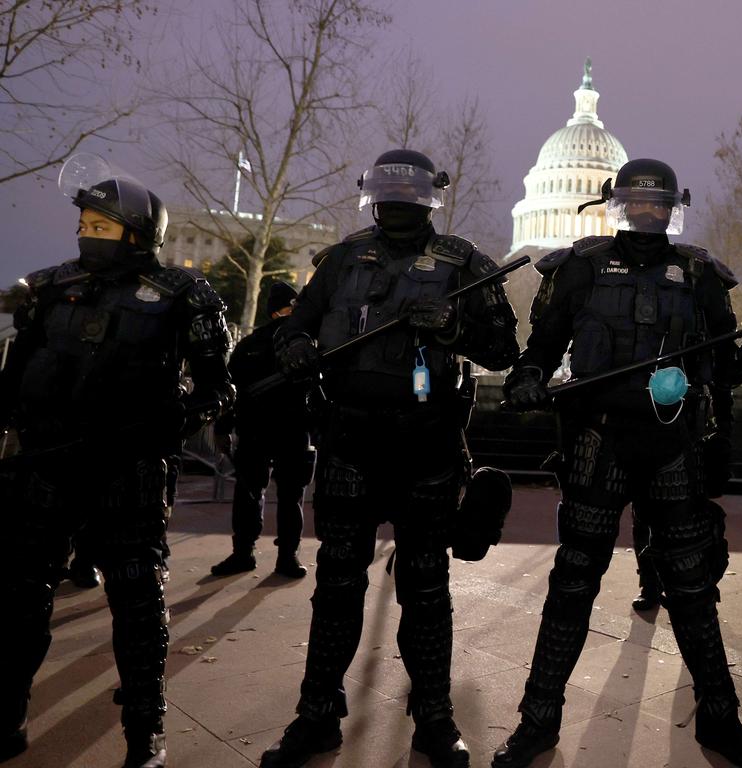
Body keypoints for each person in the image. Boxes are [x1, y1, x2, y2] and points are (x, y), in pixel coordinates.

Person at [495, 158, 742, 768]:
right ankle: (537, 719)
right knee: (572, 584)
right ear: (618, 203)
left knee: (693, 589)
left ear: (672, 207)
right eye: (639, 202)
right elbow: (542, 347)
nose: (649, 213)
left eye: (659, 204)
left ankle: (720, 718)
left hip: (673, 448)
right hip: (600, 443)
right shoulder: (577, 266)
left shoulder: (702, 274)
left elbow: (720, 367)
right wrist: (525, 379)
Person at [259, 149, 520, 768]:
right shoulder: (343, 258)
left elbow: (505, 347)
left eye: (407, 194)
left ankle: (433, 716)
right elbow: (298, 322)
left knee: (426, 588)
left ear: (429, 198)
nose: (396, 204)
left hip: (425, 447)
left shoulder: (465, 264)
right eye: (387, 193)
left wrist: (454, 327)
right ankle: (316, 713)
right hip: (349, 442)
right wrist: (293, 344)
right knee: (337, 585)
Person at [0, 166, 233, 768]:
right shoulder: (49, 286)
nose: (87, 234)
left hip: (126, 472)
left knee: (137, 604)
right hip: (48, 468)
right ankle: (8, 714)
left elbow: (217, 386)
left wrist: (176, 420)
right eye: (83, 224)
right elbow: (13, 377)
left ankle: (145, 731)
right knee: (22, 596)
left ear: (136, 233)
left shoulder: (186, 294)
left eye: (100, 225)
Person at [210, 281, 316, 579]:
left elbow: (231, 391)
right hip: (291, 431)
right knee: (289, 497)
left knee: (249, 493)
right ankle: (286, 558)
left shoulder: (249, 345)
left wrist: (223, 428)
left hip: (257, 429)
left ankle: (244, 553)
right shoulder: (307, 341)